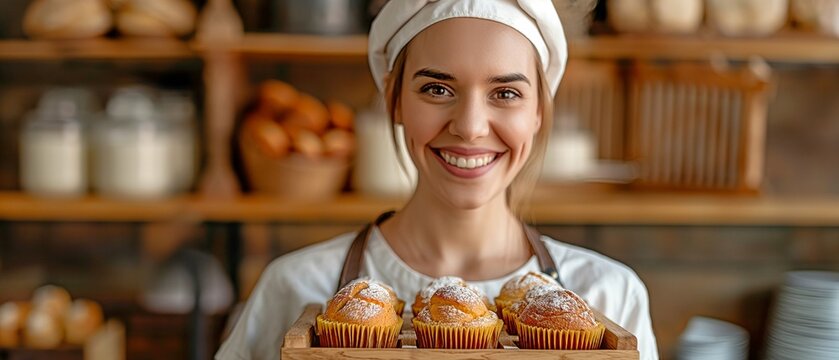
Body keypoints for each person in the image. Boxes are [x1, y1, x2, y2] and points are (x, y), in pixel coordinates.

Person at [215, 1, 659, 359]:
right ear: (394, 102)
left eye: (505, 93)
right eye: (436, 89)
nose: (470, 126)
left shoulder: (610, 294)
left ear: (539, 111)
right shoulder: (294, 287)